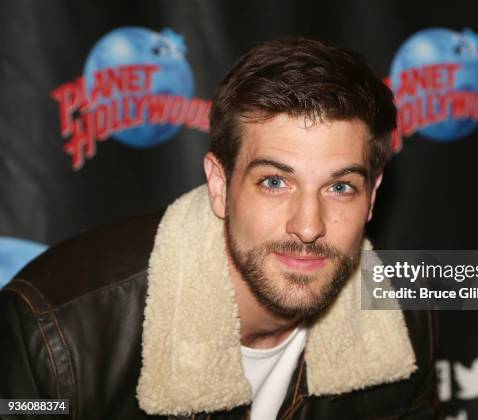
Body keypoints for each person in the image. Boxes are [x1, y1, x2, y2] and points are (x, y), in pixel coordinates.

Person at [0, 38, 439, 419]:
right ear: (219, 184)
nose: (308, 226)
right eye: (274, 182)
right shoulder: (57, 331)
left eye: (340, 186)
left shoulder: (400, 313)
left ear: (373, 196)